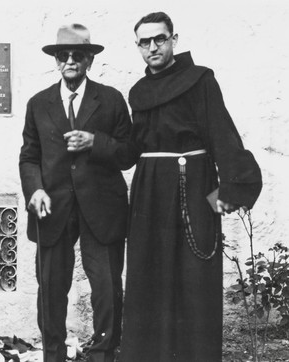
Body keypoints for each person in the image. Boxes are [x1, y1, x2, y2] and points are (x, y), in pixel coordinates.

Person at [120, 12, 263, 361]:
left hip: (193, 185)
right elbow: (134, 148)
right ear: (137, 46)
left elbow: (222, 134)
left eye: (160, 39)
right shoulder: (137, 92)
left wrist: (227, 193)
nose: (153, 47)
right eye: (145, 41)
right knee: (149, 273)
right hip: (149, 191)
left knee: (194, 276)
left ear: (174, 40)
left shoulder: (200, 81)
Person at [19, 24, 133, 362]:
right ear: (56, 61)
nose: (70, 61)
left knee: (107, 289)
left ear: (89, 61)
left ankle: (103, 354)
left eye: (78, 56)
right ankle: (53, 354)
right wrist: (35, 189)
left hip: (102, 207)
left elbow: (129, 153)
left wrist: (96, 143)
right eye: (63, 55)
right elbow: (29, 156)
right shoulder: (39, 103)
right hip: (52, 208)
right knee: (51, 289)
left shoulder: (110, 99)